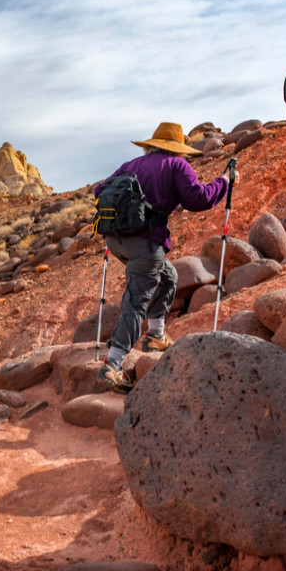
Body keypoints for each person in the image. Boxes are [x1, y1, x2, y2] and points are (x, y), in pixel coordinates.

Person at [95, 122, 234, 393]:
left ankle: (156, 335)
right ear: (176, 148)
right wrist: (225, 182)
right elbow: (199, 199)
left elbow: (99, 190)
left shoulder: (131, 164)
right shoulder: (176, 166)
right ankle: (113, 364)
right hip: (145, 243)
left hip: (116, 240)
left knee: (168, 275)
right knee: (137, 300)